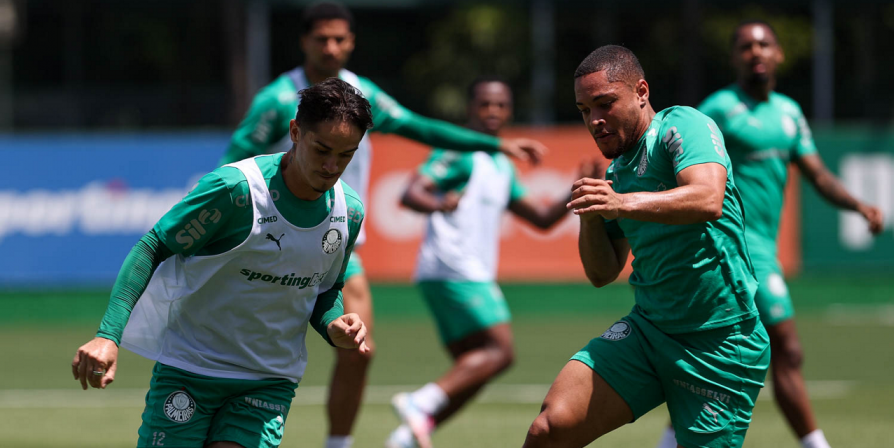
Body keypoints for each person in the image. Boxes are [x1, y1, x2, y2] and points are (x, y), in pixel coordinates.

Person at [219, 5, 547, 447]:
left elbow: (420, 127)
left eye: (340, 39)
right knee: (249, 350)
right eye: (322, 39)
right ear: (305, 42)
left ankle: (339, 444)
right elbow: (232, 164)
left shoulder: (362, 96)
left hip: (336, 247)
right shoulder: (278, 100)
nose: (331, 47)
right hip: (270, 242)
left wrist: (495, 144)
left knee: (358, 346)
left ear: (352, 42)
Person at [72, 78, 372, 448]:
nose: (332, 166)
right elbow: (153, 246)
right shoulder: (235, 191)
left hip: (269, 381)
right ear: (295, 132)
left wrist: (334, 325)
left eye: (346, 155)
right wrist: (107, 335)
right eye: (322, 149)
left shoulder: (350, 211)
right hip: (191, 369)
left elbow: (325, 289)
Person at [522, 45, 771, 448]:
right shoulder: (616, 171)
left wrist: (619, 203)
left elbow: (707, 198)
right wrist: (590, 215)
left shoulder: (681, 126)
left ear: (641, 91)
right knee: (549, 429)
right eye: (585, 110)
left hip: (720, 343)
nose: (595, 121)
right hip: (648, 330)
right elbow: (602, 273)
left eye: (605, 103)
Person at [652, 21, 885, 448]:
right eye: (745, 46)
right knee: (788, 349)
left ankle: (671, 440)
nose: (755, 52)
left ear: (778, 54)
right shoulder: (718, 110)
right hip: (732, 246)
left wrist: (858, 205)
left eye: (763, 44)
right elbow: (678, 160)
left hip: (765, 247)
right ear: (734, 58)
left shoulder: (790, 113)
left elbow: (816, 174)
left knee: (712, 355)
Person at [384, 77, 597, 448]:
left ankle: (408, 435)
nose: (493, 112)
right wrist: (439, 203)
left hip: (461, 271)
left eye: (500, 105)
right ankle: (419, 402)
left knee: (475, 367)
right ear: (470, 108)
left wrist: (577, 186)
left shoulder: (499, 163)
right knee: (501, 351)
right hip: (453, 267)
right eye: (485, 104)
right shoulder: (459, 152)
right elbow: (411, 192)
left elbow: (543, 218)